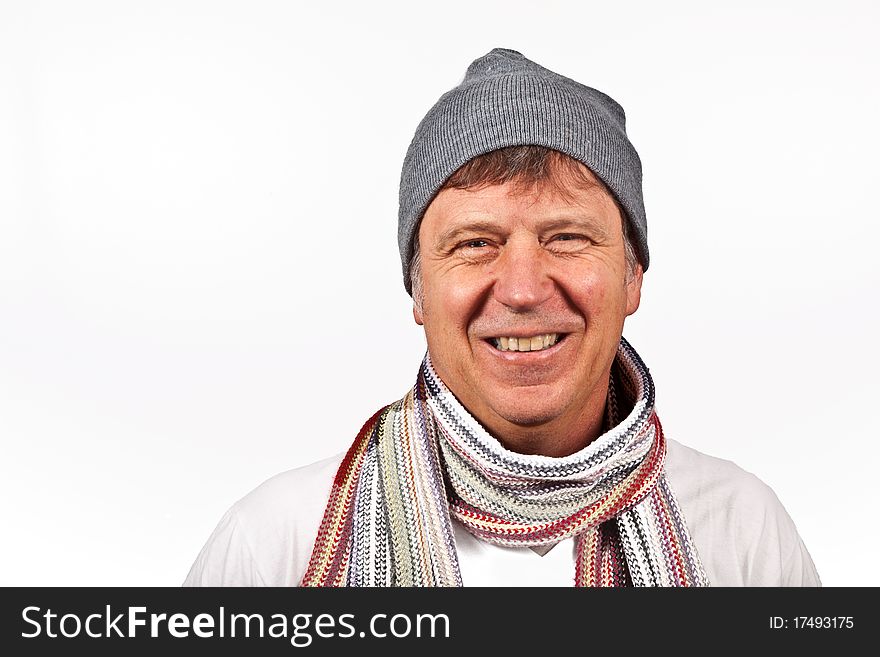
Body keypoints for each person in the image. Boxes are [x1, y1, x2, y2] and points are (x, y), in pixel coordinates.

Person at [184, 48, 819, 587]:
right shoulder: (275, 546)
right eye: (474, 244)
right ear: (418, 292)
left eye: (567, 237)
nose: (521, 289)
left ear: (632, 277)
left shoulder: (742, 533)